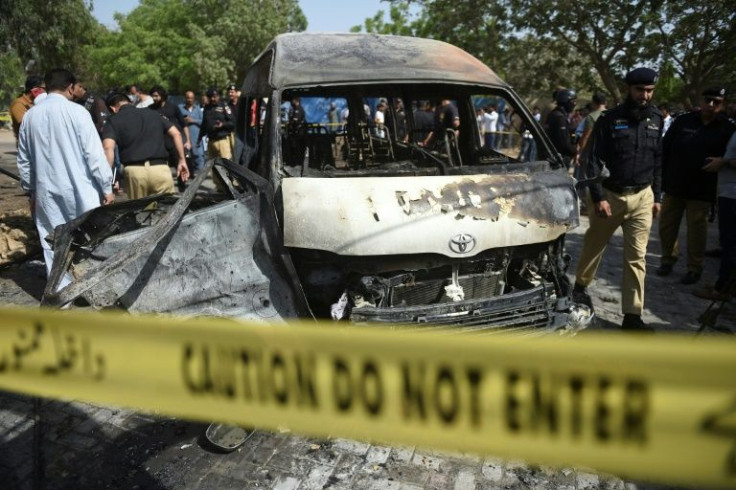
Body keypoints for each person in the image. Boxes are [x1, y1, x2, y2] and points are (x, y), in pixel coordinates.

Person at [572, 67, 664, 331]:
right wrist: (598, 196)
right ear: (629, 89)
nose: (644, 96)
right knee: (594, 246)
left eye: (649, 91)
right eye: (639, 90)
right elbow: (593, 160)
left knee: (637, 257)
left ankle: (632, 316)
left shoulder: (656, 119)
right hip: (610, 197)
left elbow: (658, 160)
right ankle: (580, 287)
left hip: (643, 198)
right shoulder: (609, 119)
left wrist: (657, 196)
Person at [16, 69, 114, 288]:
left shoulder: (30, 116)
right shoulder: (78, 112)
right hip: (82, 192)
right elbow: (94, 155)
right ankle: (90, 288)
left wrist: (31, 192)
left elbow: (24, 162)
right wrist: (106, 187)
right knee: (89, 241)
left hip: (46, 194)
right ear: (70, 87)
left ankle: (61, 293)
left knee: (53, 244)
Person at [656, 87, 735, 285]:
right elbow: (664, 149)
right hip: (675, 184)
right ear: (701, 101)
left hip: (702, 189)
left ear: (722, 104)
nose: (710, 105)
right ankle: (667, 260)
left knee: (697, 231)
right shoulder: (683, 121)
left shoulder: (727, 128)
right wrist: (659, 179)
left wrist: (722, 161)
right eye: (708, 100)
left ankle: (694, 268)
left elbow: (730, 157)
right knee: (667, 226)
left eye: (716, 102)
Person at [103, 93, 189, 200]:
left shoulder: (112, 120)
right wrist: (182, 160)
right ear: (130, 102)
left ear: (112, 109)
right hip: (160, 170)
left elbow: (108, 148)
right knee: (168, 211)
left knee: (140, 213)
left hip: (135, 172)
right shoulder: (154, 114)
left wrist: (108, 181)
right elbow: (176, 134)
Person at [695, 131, 736, 301]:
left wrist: (723, 162)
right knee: (728, 243)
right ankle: (725, 284)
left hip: (733, 196)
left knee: (731, 243)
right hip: (728, 193)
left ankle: (723, 290)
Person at [575, 92, 607, 180]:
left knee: (586, 179)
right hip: (607, 154)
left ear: (593, 102)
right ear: (605, 102)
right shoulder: (611, 115)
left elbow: (585, 137)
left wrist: (579, 153)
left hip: (591, 154)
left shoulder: (592, 117)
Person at [546, 88, 578, 169]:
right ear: (566, 102)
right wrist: (575, 151)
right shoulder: (560, 117)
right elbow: (564, 142)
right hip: (558, 160)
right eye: (573, 101)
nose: (575, 104)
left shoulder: (554, 114)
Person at [200, 87, 235, 160]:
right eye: (210, 97)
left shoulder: (224, 106)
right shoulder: (207, 108)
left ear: (218, 96)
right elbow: (204, 124)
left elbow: (232, 123)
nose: (212, 99)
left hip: (222, 141)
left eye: (214, 96)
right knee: (213, 167)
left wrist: (223, 124)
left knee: (225, 166)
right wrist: (198, 139)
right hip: (211, 141)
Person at [10, 75, 45, 141]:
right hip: (27, 143)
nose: (46, 91)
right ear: (35, 89)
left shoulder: (39, 102)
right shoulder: (18, 104)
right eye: (44, 88)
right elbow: (25, 124)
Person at [179, 90, 205, 176]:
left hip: (197, 138)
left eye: (191, 98)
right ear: (185, 98)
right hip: (185, 139)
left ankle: (200, 175)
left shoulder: (198, 109)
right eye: (188, 98)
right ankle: (189, 173)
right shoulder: (180, 108)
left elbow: (203, 122)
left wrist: (193, 120)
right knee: (187, 157)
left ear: (194, 99)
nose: (189, 100)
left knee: (199, 156)